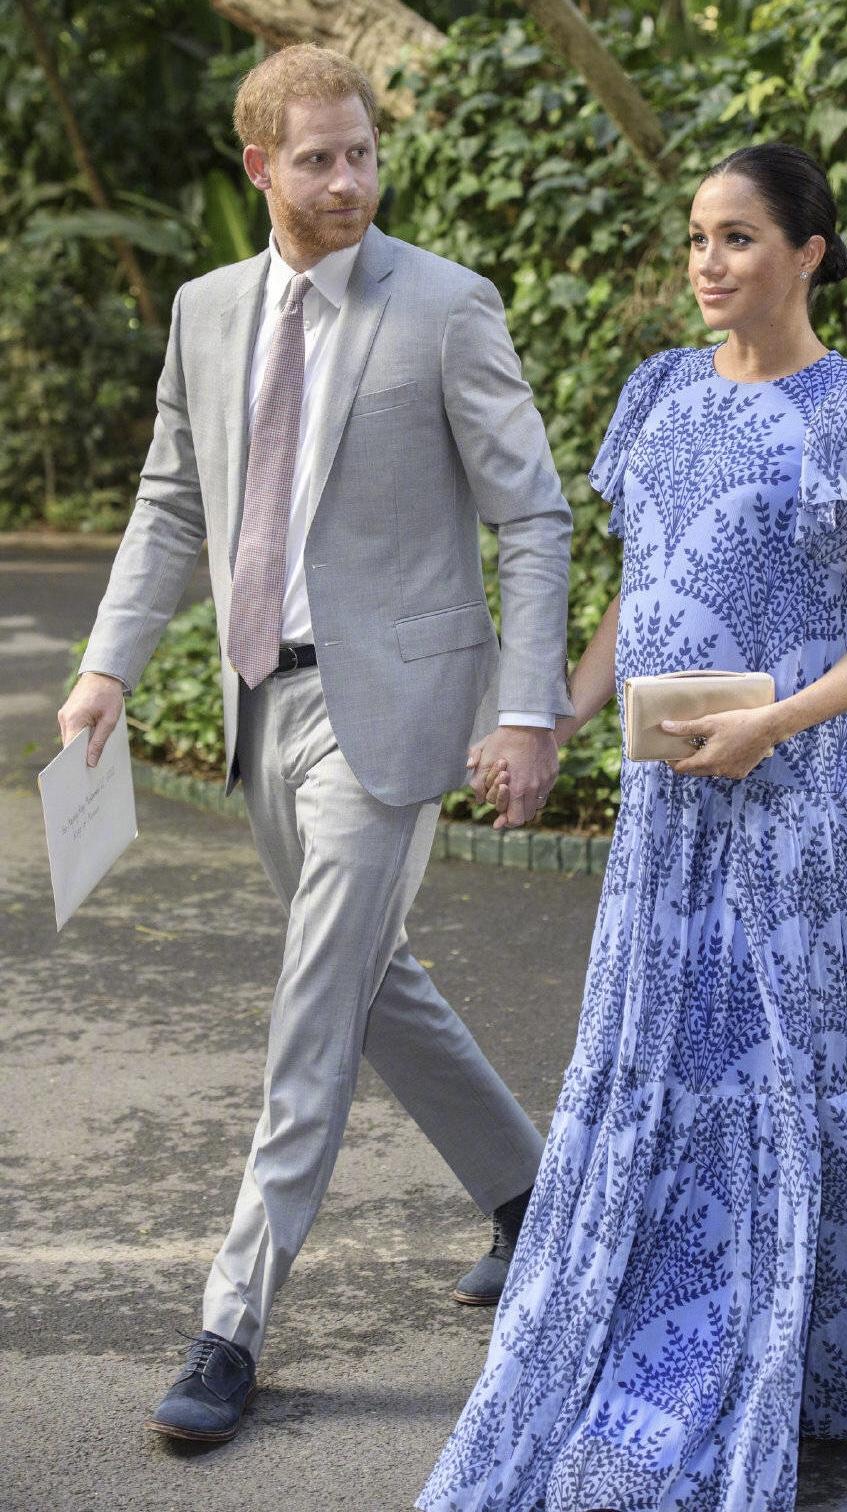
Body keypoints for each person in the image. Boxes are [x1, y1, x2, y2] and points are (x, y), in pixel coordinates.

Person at [420, 143, 847, 1512]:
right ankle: (680, 1318)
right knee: (678, 1072)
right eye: (698, 238)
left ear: (808, 253)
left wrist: (773, 723)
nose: (707, 263)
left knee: (801, 1075)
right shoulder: (659, 393)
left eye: (739, 238)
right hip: (669, 814)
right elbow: (637, 587)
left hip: (805, 814)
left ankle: (820, 1342)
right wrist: (555, 717)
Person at [57, 44, 573, 1444]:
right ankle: (538, 1199)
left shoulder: (447, 306)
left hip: (393, 714)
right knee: (366, 979)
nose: (350, 181)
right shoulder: (206, 311)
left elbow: (531, 515)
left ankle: (232, 1322)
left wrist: (527, 708)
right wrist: (106, 666)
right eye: (319, 159)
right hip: (259, 702)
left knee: (310, 1002)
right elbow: (172, 500)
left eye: (363, 153)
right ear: (260, 168)